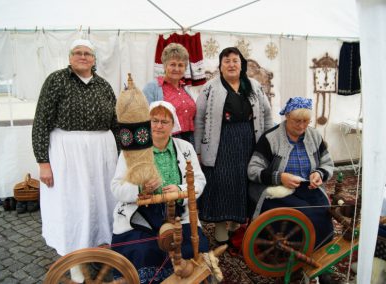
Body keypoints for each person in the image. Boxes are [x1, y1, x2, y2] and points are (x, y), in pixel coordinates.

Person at [32, 39, 121, 282]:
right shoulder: (56, 81)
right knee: (72, 205)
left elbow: (115, 124)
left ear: (94, 60)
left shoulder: (103, 85)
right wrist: (43, 162)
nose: (83, 57)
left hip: (102, 154)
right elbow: (41, 122)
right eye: (78, 53)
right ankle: (75, 261)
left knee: (102, 203)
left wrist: (124, 156)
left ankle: (100, 250)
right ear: (70, 57)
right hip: (67, 156)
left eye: (87, 54)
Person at [111, 101, 209, 283]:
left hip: (177, 212)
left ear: (173, 125)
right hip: (141, 214)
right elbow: (116, 188)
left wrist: (180, 190)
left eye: (164, 122)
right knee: (143, 250)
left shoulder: (185, 148)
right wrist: (140, 189)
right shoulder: (131, 152)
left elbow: (199, 180)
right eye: (153, 120)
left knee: (193, 247)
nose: (158, 126)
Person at [194, 47, 273, 244]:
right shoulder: (210, 87)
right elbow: (199, 120)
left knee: (243, 181)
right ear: (220, 67)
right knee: (222, 182)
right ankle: (221, 225)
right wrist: (197, 149)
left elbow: (267, 113)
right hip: (220, 144)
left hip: (248, 140)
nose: (231, 64)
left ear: (241, 64)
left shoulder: (254, 86)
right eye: (226, 61)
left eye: (235, 60)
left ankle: (236, 224)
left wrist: (268, 144)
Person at [248, 97, 334, 247]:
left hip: (307, 188)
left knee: (324, 211)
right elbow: (253, 170)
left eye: (306, 121)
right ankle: (299, 253)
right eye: (297, 121)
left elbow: (327, 163)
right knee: (307, 215)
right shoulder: (270, 138)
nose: (302, 126)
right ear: (287, 116)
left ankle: (321, 254)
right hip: (277, 192)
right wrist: (280, 177)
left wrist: (319, 173)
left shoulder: (314, 136)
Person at [143, 43, 196, 145]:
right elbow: (145, 119)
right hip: (165, 142)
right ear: (165, 66)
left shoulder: (185, 88)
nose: (176, 69)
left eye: (180, 65)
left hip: (189, 141)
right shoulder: (152, 87)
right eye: (172, 64)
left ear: (185, 68)